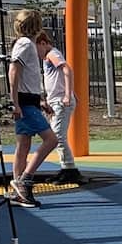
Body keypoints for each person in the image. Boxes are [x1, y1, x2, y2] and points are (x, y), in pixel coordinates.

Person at [7, 8, 58, 207]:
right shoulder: (26, 44)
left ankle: (19, 191)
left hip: (29, 101)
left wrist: (40, 102)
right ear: (37, 27)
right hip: (24, 103)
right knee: (51, 139)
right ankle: (25, 179)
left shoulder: (24, 44)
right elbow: (14, 72)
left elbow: (28, 77)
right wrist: (15, 103)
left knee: (23, 145)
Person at [35, 30, 84, 185]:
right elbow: (57, 79)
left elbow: (67, 69)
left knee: (57, 137)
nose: (36, 54)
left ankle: (70, 169)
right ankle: (66, 167)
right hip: (55, 101)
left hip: (61, 102)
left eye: (37, 49)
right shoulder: (48, 57)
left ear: (43, 43)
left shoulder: (52, 54)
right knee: (57, 136)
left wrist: (68, 94)